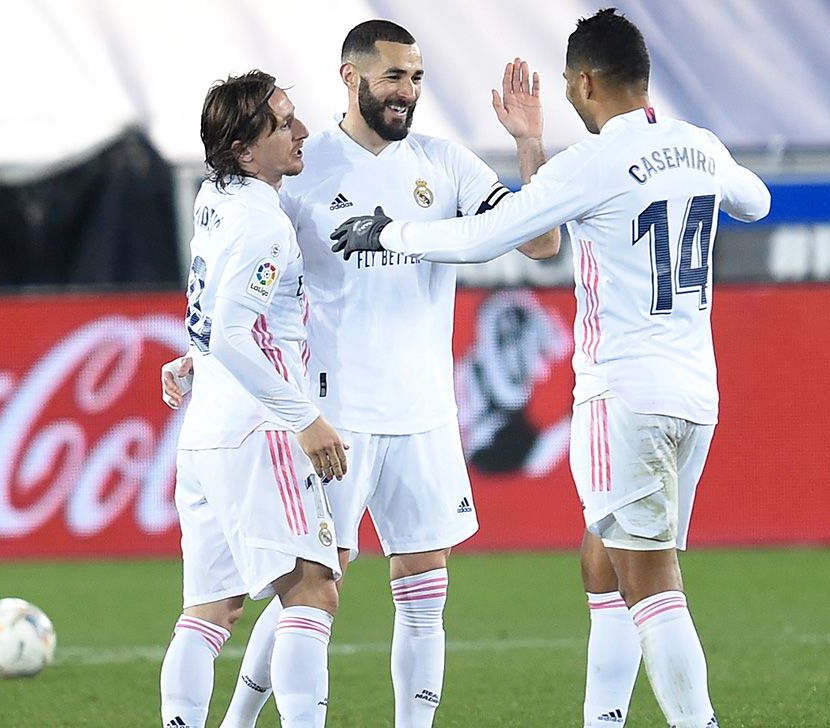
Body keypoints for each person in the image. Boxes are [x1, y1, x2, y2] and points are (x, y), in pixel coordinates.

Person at [330, 9, 770, 728]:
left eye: (569, 85)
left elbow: (490, 237)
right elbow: (756, 200)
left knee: (651, 584)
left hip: (622, 395)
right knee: (603, 561)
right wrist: (535, 144)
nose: (568, 96)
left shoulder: (593, 163)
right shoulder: (699, 145)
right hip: (696, 396)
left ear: (588, 82)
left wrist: (389, 232)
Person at [163, 20, 560, 727]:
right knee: (309, 584)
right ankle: (242, 720)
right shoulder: (300, 167)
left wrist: (530, 145)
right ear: (351, 77)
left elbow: (542, 238)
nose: (407, 92)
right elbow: (239, 278)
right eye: (393, 78)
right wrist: (202, 352)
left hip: (426, 411)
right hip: (331, 412)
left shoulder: (447, 163)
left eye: (416, 78)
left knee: (425, 590)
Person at [158, 70, 348, 728]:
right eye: (284, 123)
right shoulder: (265, 224)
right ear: (243, 147)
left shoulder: (215, 196)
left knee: (210, 611)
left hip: (206, 432)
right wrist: (307, 419)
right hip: (260, 429)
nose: (301, 133)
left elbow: (217, 314)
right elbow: (237, 331)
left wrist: (194, 356)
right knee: (313, 591)